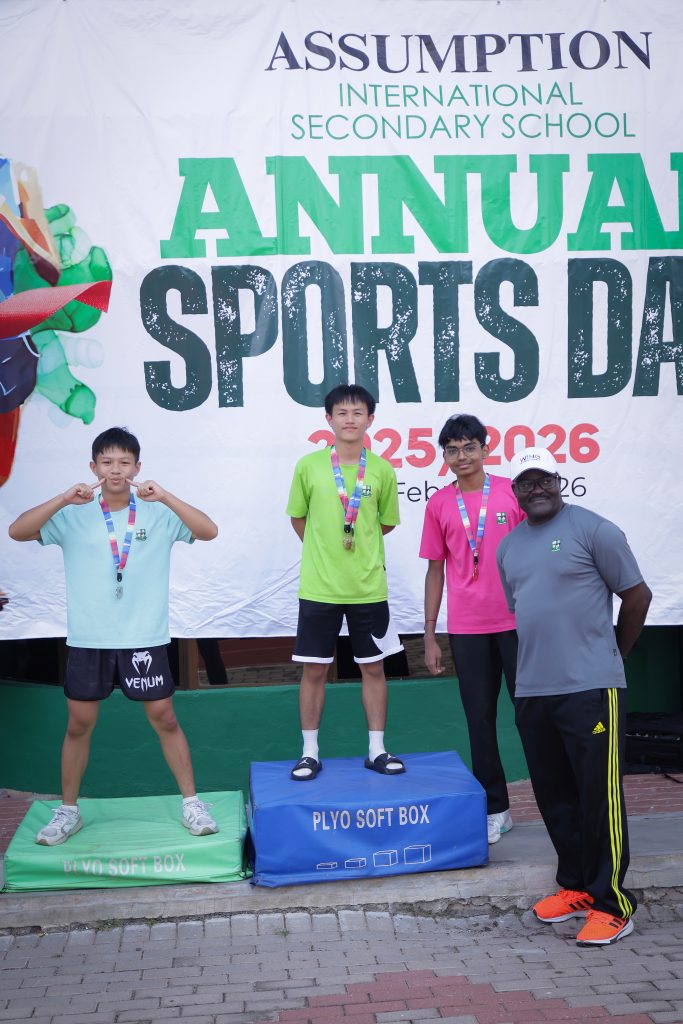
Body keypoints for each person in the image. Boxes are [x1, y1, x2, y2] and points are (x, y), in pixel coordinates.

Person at [8, 426, 220, 845]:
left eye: (125, 462)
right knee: (79, 724)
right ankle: (69, 811)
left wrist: (167, 496)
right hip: (89, 639)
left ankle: (192, 804)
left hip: (144, 637)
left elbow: (209, 530)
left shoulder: (157, 512)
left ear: (138, 468)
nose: (116, 470)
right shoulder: (73, 513)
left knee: (165, 718)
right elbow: (17, 531)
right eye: (107, 462)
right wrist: (63, 499)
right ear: (93, 467)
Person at [496, 446, 651, 946]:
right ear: (515, 491)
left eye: (545, 479)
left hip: (590, 687)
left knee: (598, 797)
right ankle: (577, 888)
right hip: (533, 689)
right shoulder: (508, 547)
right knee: (555, 795)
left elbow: (638, 596)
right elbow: (525, 610)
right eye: (527, 482)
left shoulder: (595, 530)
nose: (537, 489)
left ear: (559, 481)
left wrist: (614, 654)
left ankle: (613, 905)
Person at [286, 384, 404, 780]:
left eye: (357, 413)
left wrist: (357, 544)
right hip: (319, 587)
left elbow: (385, 523)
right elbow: (299, 519)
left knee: (374, 669)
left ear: (370, 419)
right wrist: (325, 549)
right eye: (342, 412)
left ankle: (377, 749)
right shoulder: (309, 466)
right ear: (329, 419)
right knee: (314, 671)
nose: (349, 419)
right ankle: (309, 753)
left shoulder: (382, 469)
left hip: (368, 588)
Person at [420, 414, 525, 844]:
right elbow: (434, 571)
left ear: (485, 448)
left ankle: (561, 799)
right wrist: (430, 635)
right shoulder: (439, 504)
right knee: (479, 721)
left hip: (519, 623)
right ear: (444, 456)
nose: (461, 456)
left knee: (533, 715)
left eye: (469, 447)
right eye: (452, 450)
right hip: (466, 629)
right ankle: (496, 809)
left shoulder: (511, 492)